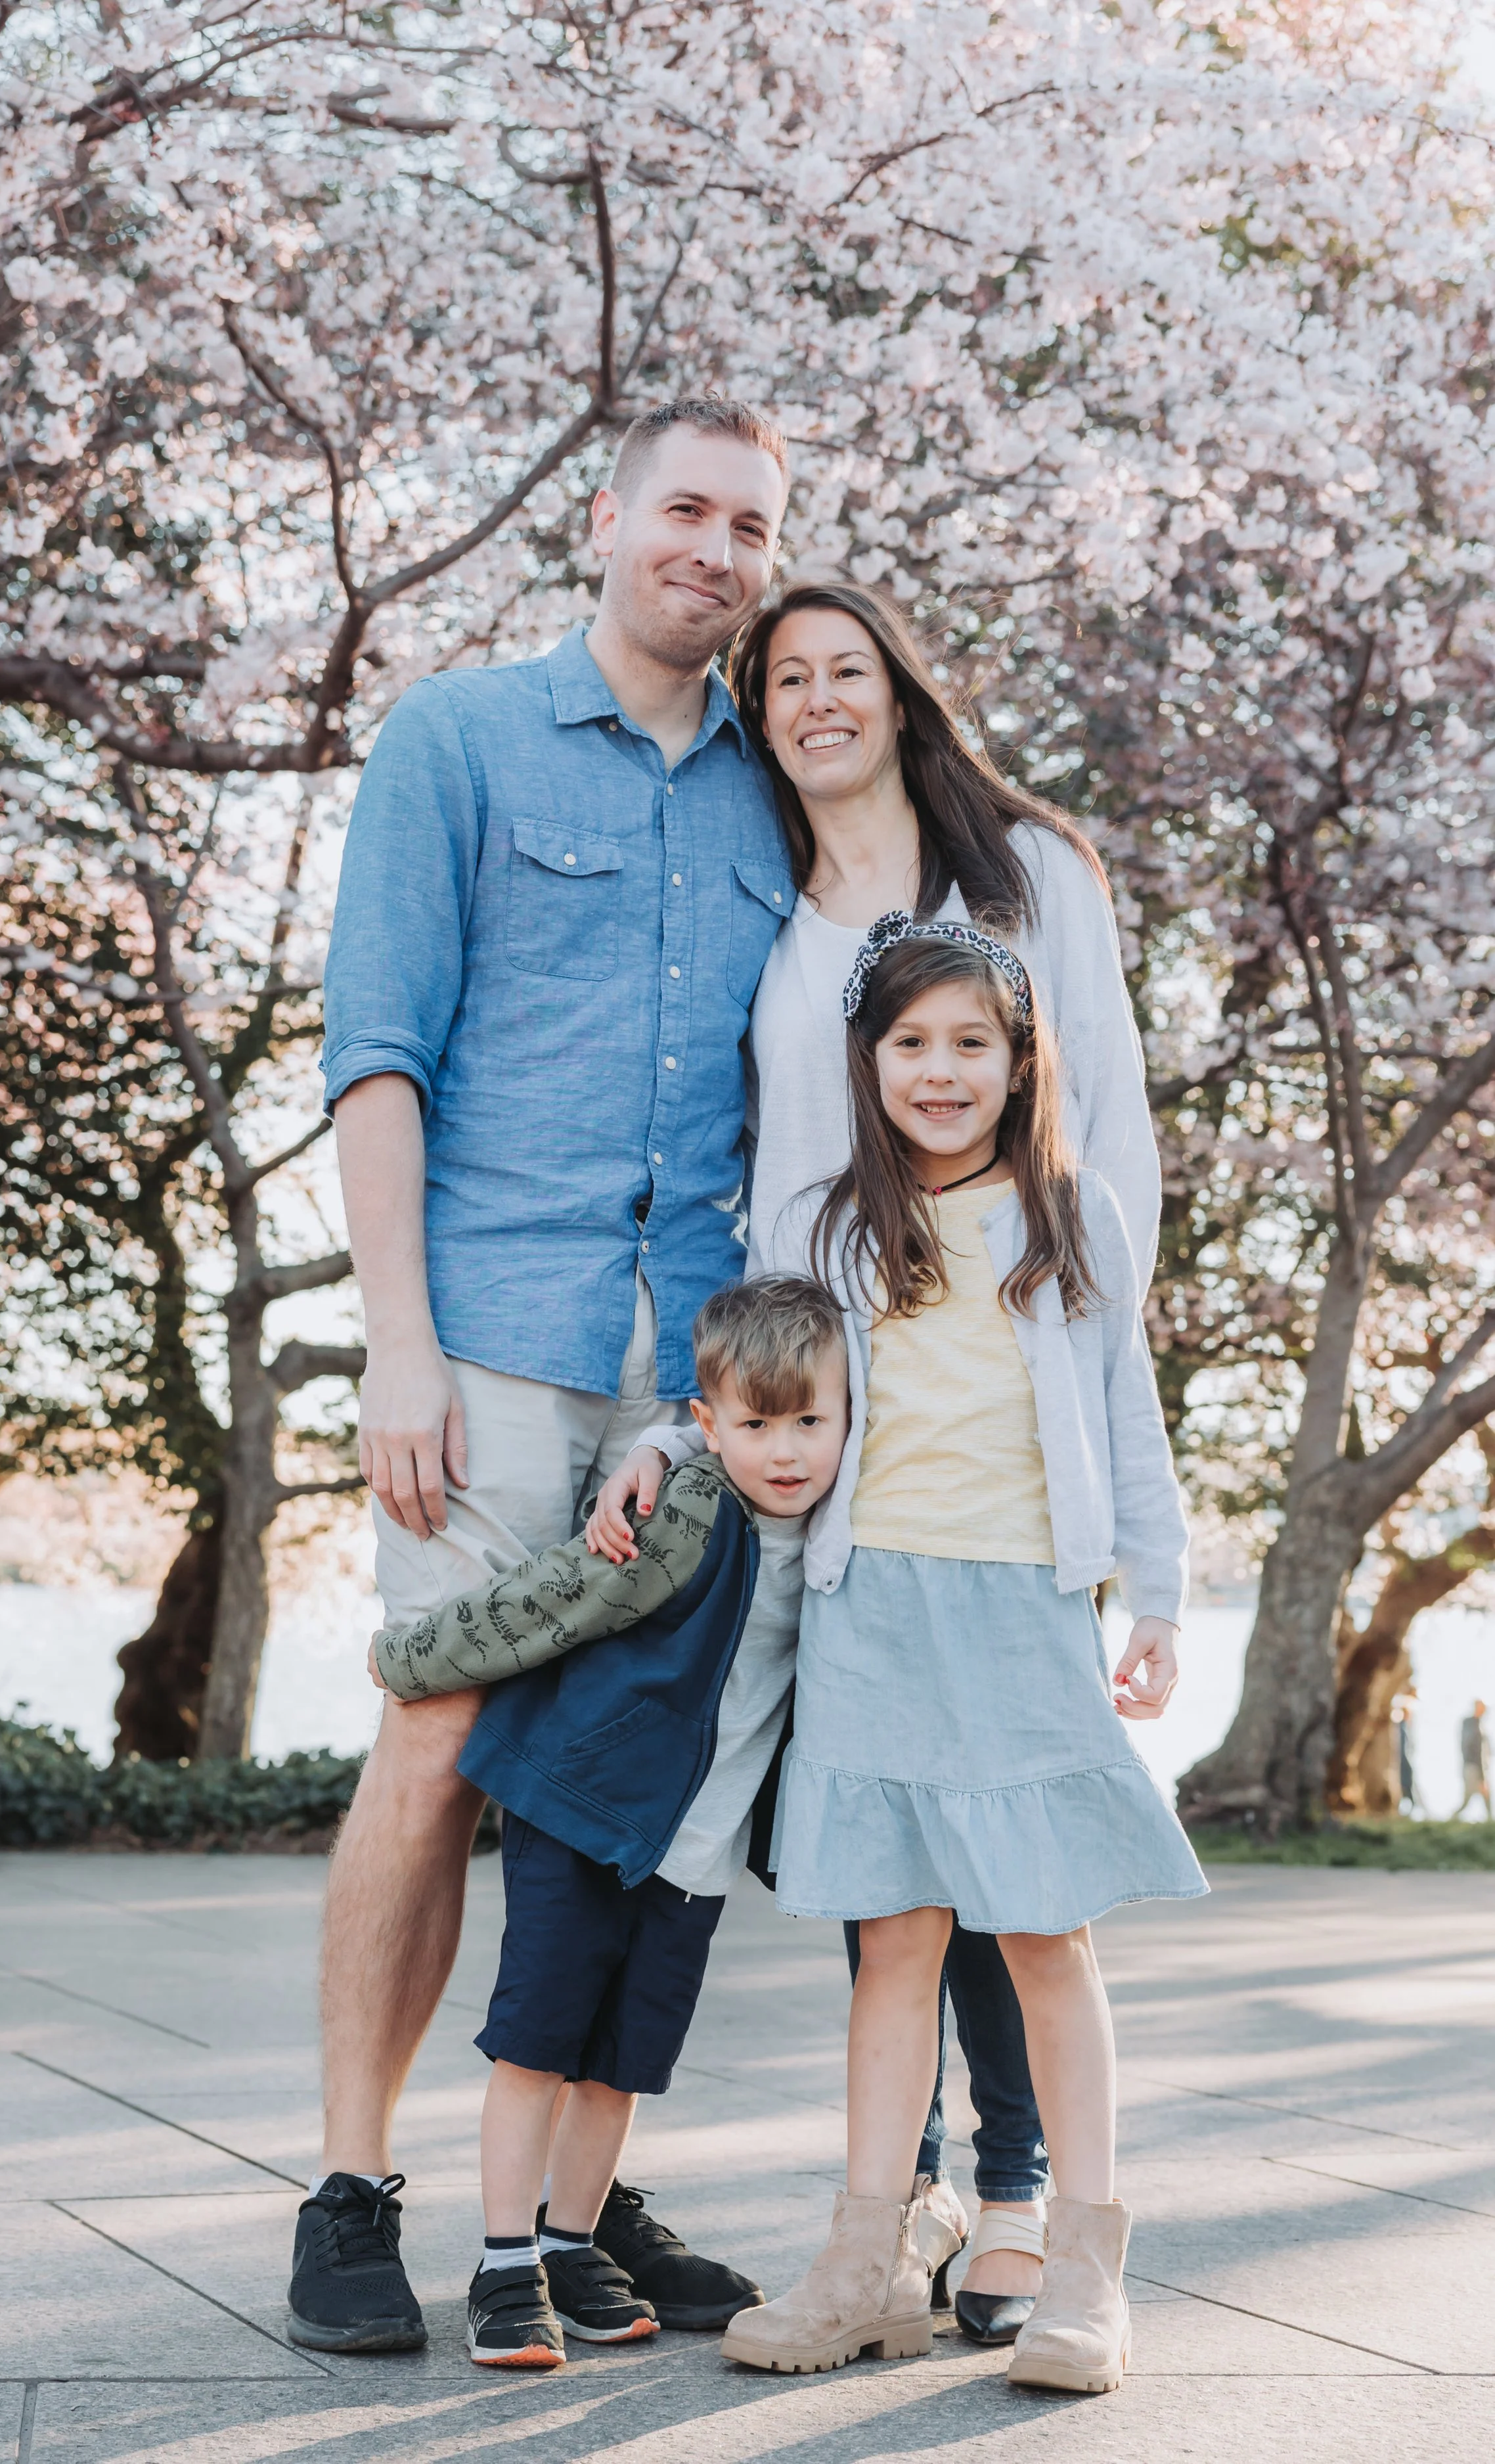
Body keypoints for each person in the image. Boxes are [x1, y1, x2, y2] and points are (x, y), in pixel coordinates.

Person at [588, 578, 1163, 2340]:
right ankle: (880, 2229)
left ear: (902, 692)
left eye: (850, 670)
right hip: (851, 1485)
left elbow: (1109, 1174)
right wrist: (698, 1414)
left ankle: (1033, 2216)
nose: (820, 700)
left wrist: (1131, 1541)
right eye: (787, 678)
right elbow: (758, 1208)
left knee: (1029, 1899)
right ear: (755, 711)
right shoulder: (769, 909)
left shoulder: (1028, 877)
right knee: (891, 1895)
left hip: (1016, 1505)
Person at [292, 396, 797, 2354]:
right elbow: (377, 1051)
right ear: (605, 517)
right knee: (435, 1734)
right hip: (489, 1340)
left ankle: (576, 2191)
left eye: (750, 527)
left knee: (630, 1782)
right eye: (687, 509)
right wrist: (396, 1342)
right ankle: (351, 2184)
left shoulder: (775, 792)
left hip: (690, 1379)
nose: (715, 551)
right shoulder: (460, 739)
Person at [716, 920, 1205, 2395]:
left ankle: (1084, 2273)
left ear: (1018, 1062)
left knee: (1047, 1937)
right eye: (911, 1043)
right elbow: (758, 1397)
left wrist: (1158, 1595)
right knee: (894, 1943)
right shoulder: (823, 1226)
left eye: (971, 1044)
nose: (941, 1071)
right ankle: (863, 2266)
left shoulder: (1070, 1217)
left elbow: (1126, 1414)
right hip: (868, 1611)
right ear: (867, 1061)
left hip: (1022, 1613)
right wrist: (667, 1456)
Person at [368, 1278, 868, 2365]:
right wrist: (408, 1659)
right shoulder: (690, 1511)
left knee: (621, 2065)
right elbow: (558, 1597)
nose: (785, 1450)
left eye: (808, 1421)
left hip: (692, 1855)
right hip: (583, 1814)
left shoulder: (849, 1533)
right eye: (755, 1424)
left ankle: (569, 2241)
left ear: (849, 1417)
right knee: (539, 2044)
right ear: (709, 1425)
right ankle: (505, 2262)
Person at [1457, 1700, 1490, 1818]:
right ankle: (1453, 1818)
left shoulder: (1478, 1724)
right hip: (1473, 1767)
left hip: (1474, 1766)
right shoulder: (1472, 1725)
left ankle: (1490, 1820)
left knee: (1486, 1796)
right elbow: (1475, 1751)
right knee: (1468, 1799)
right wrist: (1482, 1777)